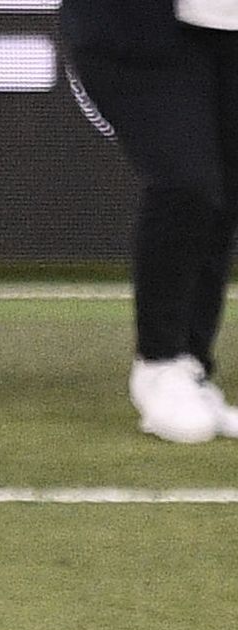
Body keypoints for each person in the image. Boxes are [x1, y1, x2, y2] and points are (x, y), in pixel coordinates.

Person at [63, 0, 238, 440]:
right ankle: (158, 363)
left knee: (224, 193)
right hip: (136, 29)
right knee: (186, 182)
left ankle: (191, 366)